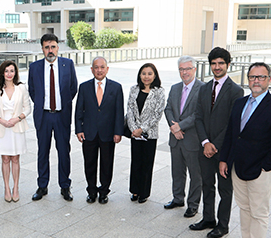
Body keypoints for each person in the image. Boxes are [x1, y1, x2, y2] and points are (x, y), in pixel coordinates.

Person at [220, 62, 271, 238]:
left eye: (261, 77)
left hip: (260, 171)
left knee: (259, 212)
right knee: (244, 207)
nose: (256, 81)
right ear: (248, 79)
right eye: (252, 77)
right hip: (238, 166)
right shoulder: (240, 103)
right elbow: (232, 135)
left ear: (269, 79)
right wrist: (224, 159)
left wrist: (265, 167)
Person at [190, 47, 244, 238]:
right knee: (207, 184)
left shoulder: (236, 91)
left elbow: (232, 123)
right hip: (204, 148)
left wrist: (215, 145)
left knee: (225, 188)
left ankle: (223, 225)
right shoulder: (204, 88)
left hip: (224, 150)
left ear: (228, 65)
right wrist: (205, 142)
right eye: (213, 63)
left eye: (221, 63)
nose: (217, 67)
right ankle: (208, 218)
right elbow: (198, 117)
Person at [28, 33, 78, 201]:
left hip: (61, 116)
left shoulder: (68, 64)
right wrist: (45, 106)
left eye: (53, 47)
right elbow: (32, 91)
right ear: (42, 49)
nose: (50, 50)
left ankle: (65, 186)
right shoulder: (34, 67)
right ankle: (42, 186)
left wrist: (60, 105)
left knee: (64, 152)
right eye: (47, 47)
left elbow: (73, 88)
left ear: (58, 47)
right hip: (43, 116)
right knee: (43, 152)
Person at [75, 57, 124, 204]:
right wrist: (79, 129)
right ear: (91, 70)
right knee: (89, 163)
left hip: (108, 134)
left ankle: (104, 192)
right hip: (89, 132)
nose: (99, 70)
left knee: (106, 163)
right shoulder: (84, 87)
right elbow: (78, 111)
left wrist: (118, 132)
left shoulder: (116, 87)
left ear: (107, 69)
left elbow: (119, 112)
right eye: (96, 67)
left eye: (102, 67)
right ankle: (91, 191)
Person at [163, 56, 204, 218]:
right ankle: (178, 198)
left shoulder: (203, 88)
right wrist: (174, 128)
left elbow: (199, 113)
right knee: (177, 171)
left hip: (192, 139)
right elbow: (168, 110)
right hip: (176, 138)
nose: (184, 72)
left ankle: (193, 204)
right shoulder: (174, 88)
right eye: (181, 69)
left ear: (194, 69)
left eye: (187, 69)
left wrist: (181, 126)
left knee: (196, 174)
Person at [0, 60, 31, 202]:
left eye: (12, 71)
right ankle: (7, 188)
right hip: (2, 126)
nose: (9, 74)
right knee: (5, 159)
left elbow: (28, 108)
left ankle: (16, 187)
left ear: (15, 72)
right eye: (6, 71)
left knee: (15, 158)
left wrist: (17, 119)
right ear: (2, 72)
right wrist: (1, 120)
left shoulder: (21, 88)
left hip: (16, 126)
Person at [126, 63, 166, 203]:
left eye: (149, 73)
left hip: (150, 134)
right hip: (134, 134)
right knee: (135, 162)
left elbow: (157, 114)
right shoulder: (134, 89)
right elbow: (130, 110)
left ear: (154, 75)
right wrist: (133, 129)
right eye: (143, 73)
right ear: (139, 75)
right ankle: (135, 190)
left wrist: (142, 129)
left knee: (147, 163)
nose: (146, 76)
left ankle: (144, 192)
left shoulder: (159, 92)